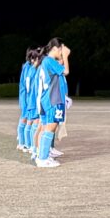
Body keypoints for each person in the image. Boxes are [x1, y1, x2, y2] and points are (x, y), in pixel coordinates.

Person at [35, 38, 70, 168]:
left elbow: (60, 68)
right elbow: (65, 71)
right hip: (53, 99)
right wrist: (66, 56)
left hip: (48, 99)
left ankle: (43, 156)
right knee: (50, 128)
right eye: (61, 49)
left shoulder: (47, 61)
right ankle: (43, 158)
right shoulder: (49, 60)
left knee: (46, 128)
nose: (62, 52)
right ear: (55, 48)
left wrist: (62, 57)